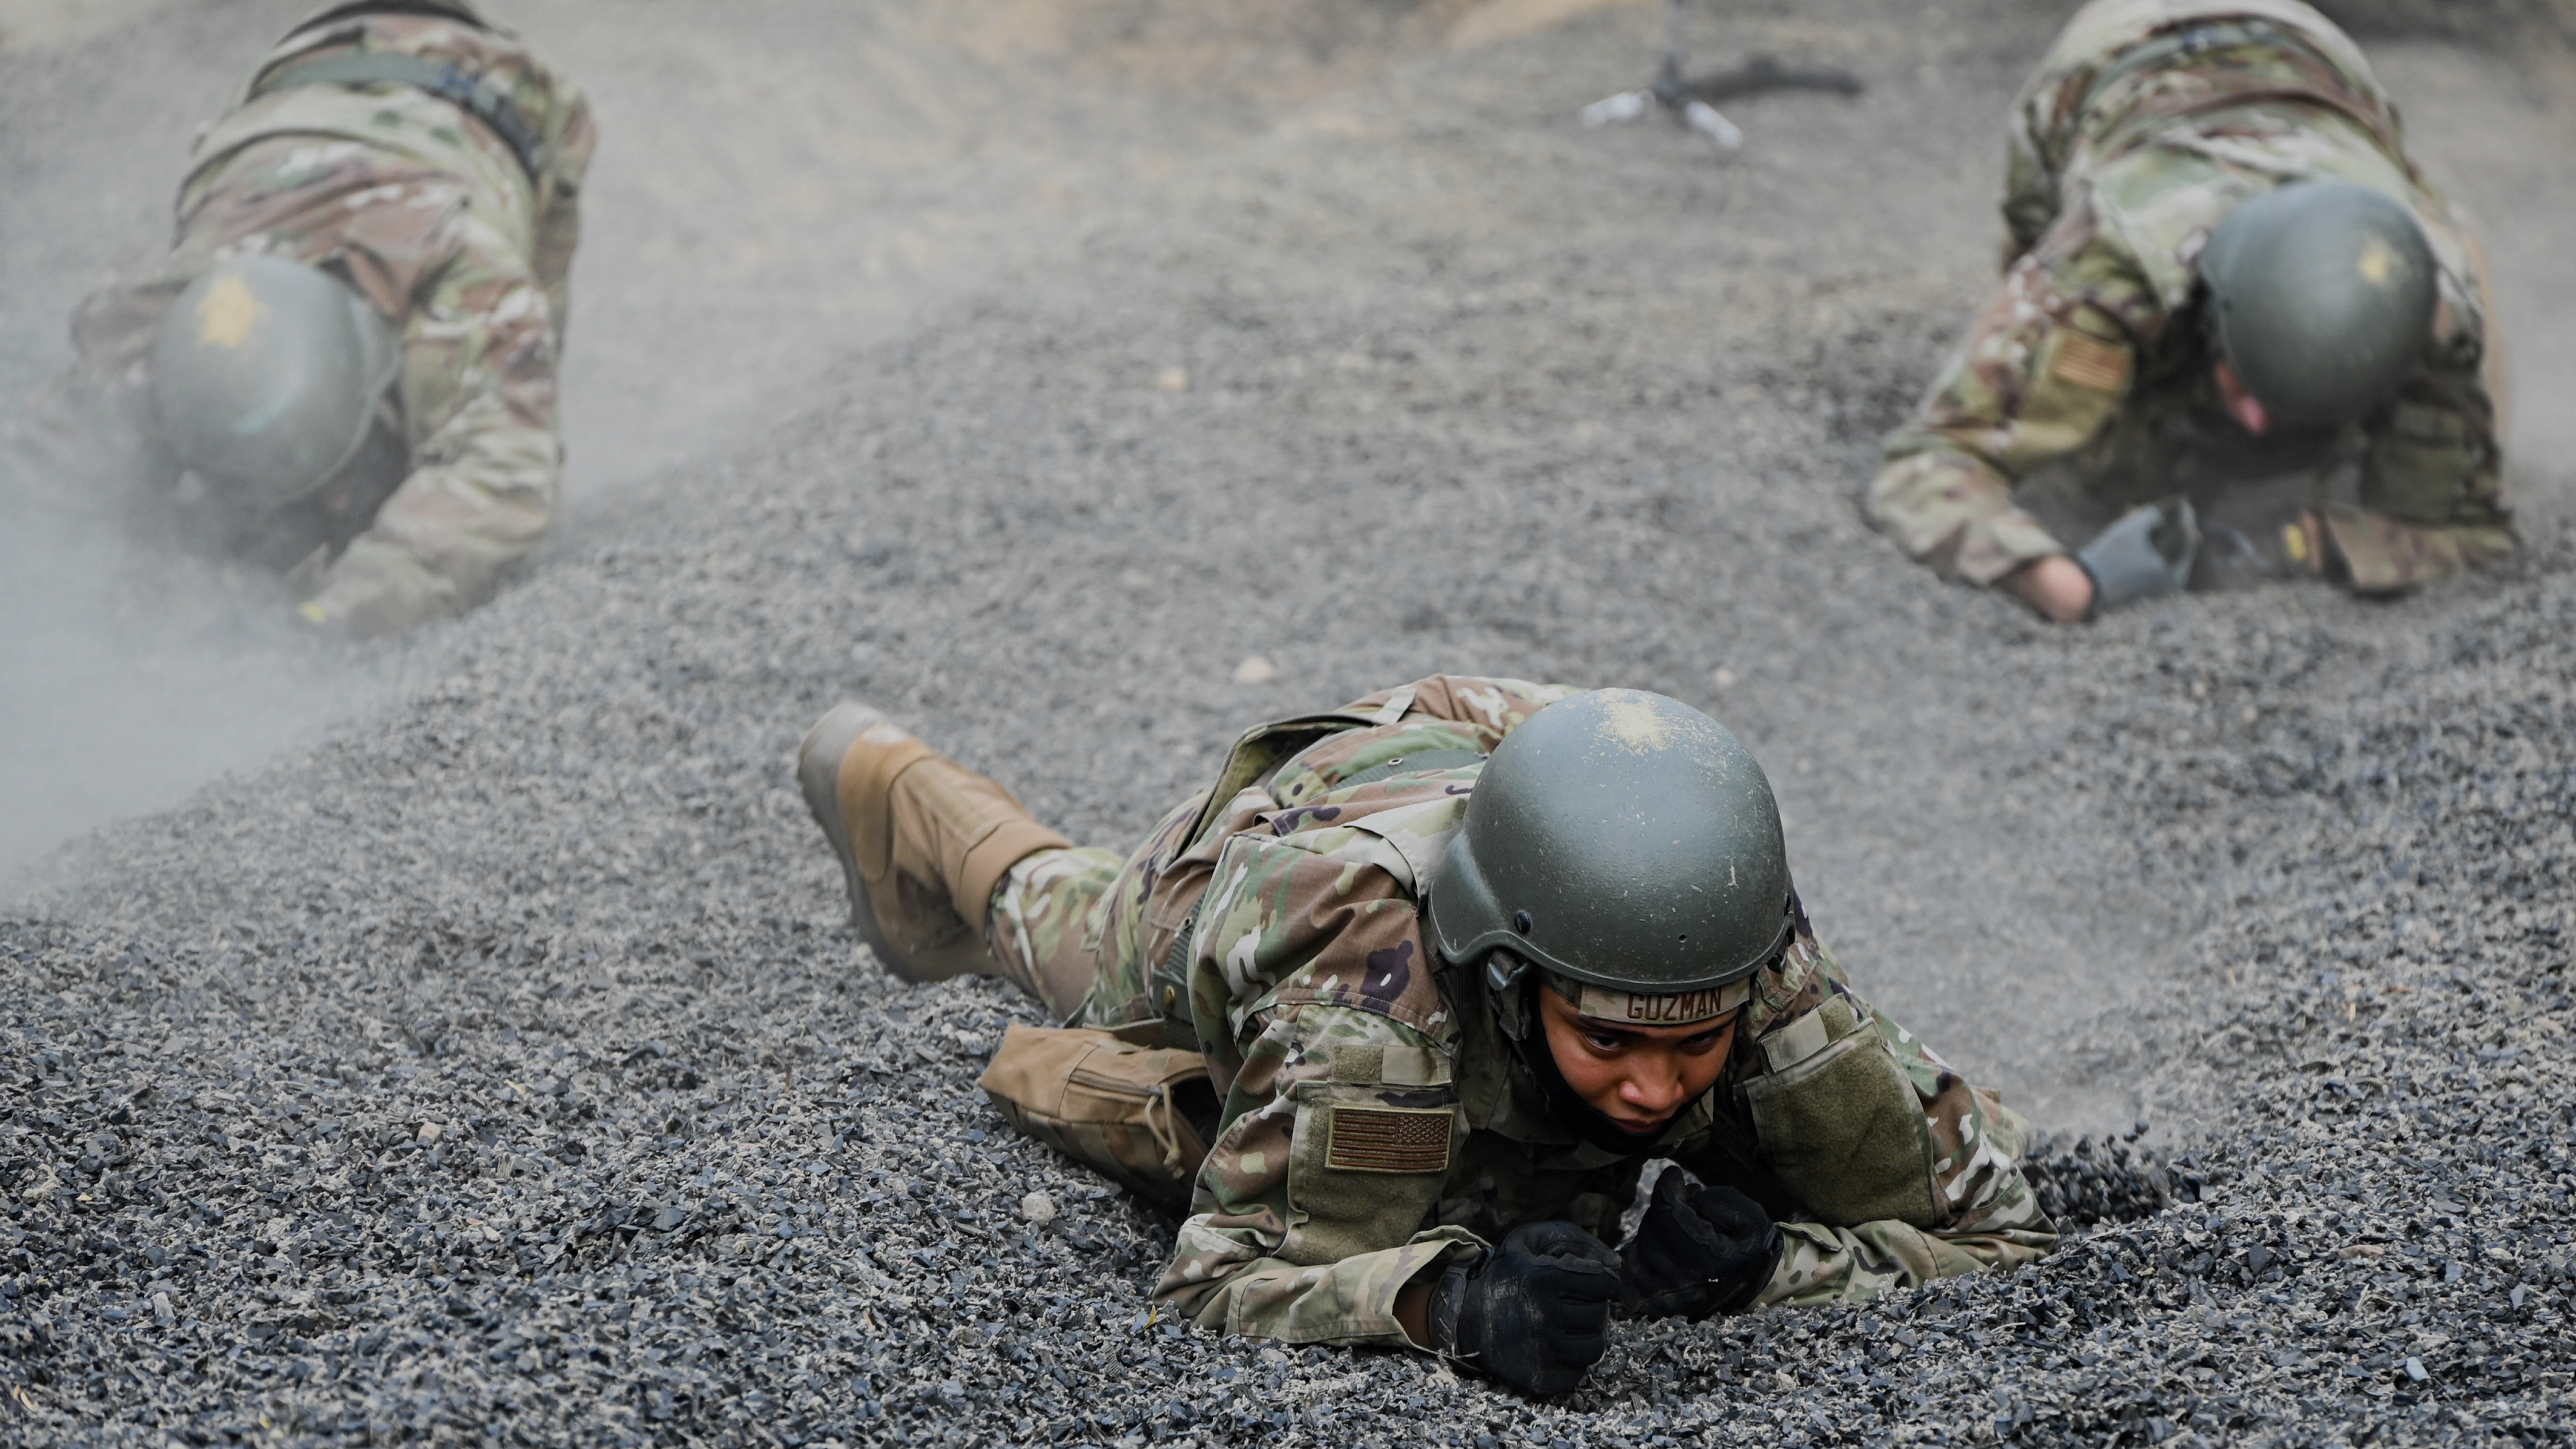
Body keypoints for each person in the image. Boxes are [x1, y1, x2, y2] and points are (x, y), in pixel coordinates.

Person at [796, 676, 2058, 1394]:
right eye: (1607, 1040)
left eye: (1693, 1044)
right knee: (1068, 935)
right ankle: (900, 783)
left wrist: (1765, 1268)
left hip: (1548, 778)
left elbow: (1999, 1224)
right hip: (1291, 847)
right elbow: (1217, 1284)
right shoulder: (1362, 1002)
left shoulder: (1753, 975)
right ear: (1510, 979)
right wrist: (1451, 1299)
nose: (1654, 1085)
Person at [1867, 0, 2512, 623]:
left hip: (2325, 73)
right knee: (2096, 455)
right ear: (2213, 307)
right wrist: (2070, 586)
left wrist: (2305, 543)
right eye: (2247, 380)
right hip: (2111, 58)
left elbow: (2466, 532)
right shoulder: (2106, 262)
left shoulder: (2432, 301)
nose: (2258, 425)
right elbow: (1924, 469)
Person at [7, 0, 592, 636]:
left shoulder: (467, 291)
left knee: (503, 431)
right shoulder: (172, 323)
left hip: (501, 95)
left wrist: (331, 622)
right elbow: (37, 488)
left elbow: (502, 476)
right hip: (291, 85)